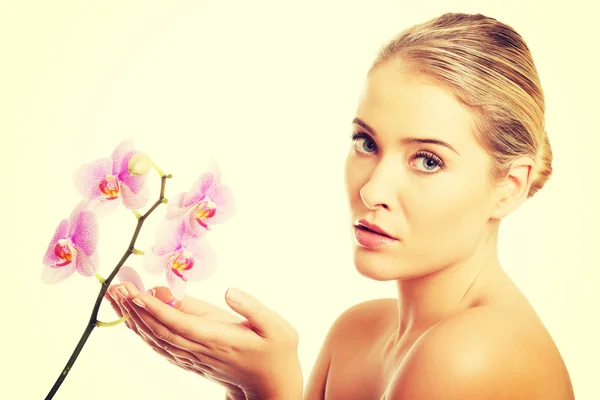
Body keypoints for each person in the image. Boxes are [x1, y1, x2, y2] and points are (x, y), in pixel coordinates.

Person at [105, 12, 575, 400]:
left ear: (509, 188)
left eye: (427, 160)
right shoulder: (357, 332)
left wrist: (270, 385)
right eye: (366, 142)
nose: (372, 191)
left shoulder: (470, 355)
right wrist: (242, 382)